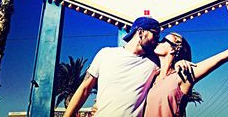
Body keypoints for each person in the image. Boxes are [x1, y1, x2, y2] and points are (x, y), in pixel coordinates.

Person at [63, 16, 193, 117]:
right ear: (141, 32)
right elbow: (85, 89)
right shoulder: (105, 54)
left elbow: (170, 71)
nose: (158, 40)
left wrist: (179, 62)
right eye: (155, 34)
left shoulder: (153, 62)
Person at [144, 32, 228, 117]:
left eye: (164, 40)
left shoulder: (184, 76)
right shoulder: (153, 75)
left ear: (173, 49)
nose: (158, 42)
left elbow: (221, 58)